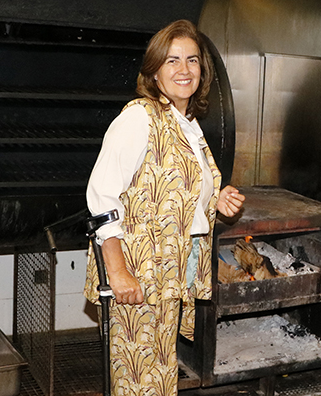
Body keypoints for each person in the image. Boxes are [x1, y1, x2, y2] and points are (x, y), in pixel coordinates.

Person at [83, 19, 245, 396]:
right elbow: (100, 195)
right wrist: (118, 272)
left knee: (158, 373)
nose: (183, 70)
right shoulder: (139, 117)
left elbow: (183, 189)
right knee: (140, 377)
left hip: (171, 271)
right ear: (154, 71)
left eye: (191, 60)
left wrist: (216, 199)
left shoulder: (187, 123)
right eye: (172, 60)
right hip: (138, 272)